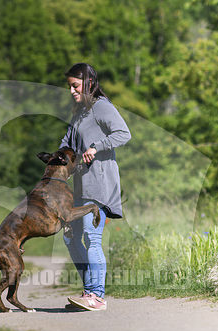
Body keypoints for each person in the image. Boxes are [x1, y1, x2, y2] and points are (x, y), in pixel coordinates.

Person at [60, 62, 131, 311]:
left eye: (75, 85)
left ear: (89, 83)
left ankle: (97, 296)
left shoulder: (102, 107)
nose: (72, 90)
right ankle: (89, 290)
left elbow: (123, 133)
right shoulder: (79, 113)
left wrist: (96, 146)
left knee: (92, 237)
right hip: (81, 187)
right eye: (69, 86)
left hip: (100, 185)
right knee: (71, 239)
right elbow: (66, 144)